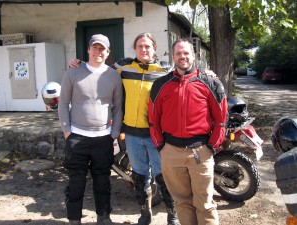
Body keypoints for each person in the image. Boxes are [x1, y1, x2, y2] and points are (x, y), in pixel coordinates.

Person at [68, 32, 180, 225]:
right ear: (135, 49)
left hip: (157, 135)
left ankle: (173, 214)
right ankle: (145, 214)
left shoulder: (166, 71)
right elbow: (98, 69)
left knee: (164, 177)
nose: (144, 50)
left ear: (154, 49)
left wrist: (207, 74)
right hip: (132, 135)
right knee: (139, 176)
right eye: (140, 46)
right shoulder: (122, 67)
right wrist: (78, 65)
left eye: (147, 46)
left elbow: (188, 76)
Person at [148, 39, 228, 225]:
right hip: (171, 152)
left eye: (186, 53)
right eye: (178, 53)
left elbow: (221, 120)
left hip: (201, 152)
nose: (182, 56)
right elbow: (153, 120)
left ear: (194, 55)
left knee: (205, 204)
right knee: (182, 202)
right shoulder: (161, 85)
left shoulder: (210, 83)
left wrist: (211, 147)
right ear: (173, 56)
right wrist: (161, 147)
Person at [58, 34, 123, 225]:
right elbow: (63, 104)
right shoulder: (72, 73)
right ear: (88, 50)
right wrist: (67, 131)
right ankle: (74, 219)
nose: (98, 52)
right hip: (77, 137)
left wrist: (114, 133)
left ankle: (103, 217)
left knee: (102, 182)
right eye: (95, 48)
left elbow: (118, 107)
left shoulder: (114, 76)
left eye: (102, 48)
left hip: (103, 138)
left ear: (108, 52)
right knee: (76, 183)